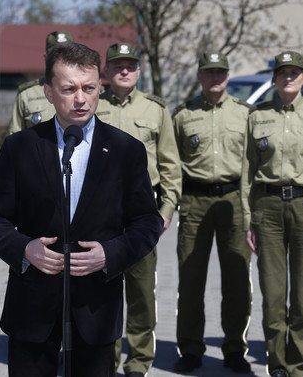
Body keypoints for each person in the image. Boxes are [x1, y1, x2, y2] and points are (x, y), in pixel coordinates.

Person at [0, 42, 163, 377]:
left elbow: (147, 222)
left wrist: (110, 253)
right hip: (32, 307)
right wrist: (24, 248)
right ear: (49, 92)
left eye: (90, 88)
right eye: (69, 89)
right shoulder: (20, 148)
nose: (81, 99)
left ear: (100, 88)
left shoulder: (126, 150)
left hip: (95, 307)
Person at [241, 50, 303, 377]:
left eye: (294, 72)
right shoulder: (257, 117)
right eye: (282, 72)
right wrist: (248, 220)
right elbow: (247, 175)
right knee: (272, 297)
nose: (288, 77)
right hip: (267, 209)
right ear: (274, 77)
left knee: (301, 299)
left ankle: (299, 368)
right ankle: (277, 366)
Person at [96, 43, 182, 377]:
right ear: (107, 70)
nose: (124, 70)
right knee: (102, 290)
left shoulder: (156, 109)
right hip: (100, 212)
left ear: (139, 69)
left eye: (130, 65)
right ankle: (106, 355)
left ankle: (139, 360)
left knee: (142, 291)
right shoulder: (93, 105)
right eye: (117, 65)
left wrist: (166, 210)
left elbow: (171, 166)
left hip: (141, 213)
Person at [171, 51, 253, 374]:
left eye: (220, 72)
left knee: (236, 279)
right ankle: (190, 348)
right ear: (199, 76)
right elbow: (172, 162)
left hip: (235, 200)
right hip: (195, 200)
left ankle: (234, 348)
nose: (215, 78)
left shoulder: (247, 114)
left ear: (228, 76)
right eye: (209, 72)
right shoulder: (182, 114)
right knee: (191, 280)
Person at [7, 30, 74, 134]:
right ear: (46, 58)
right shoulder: (27, 94)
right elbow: (14, 139)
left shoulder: (89, 93)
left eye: (66, 55)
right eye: (55, 55)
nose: (61, 60)